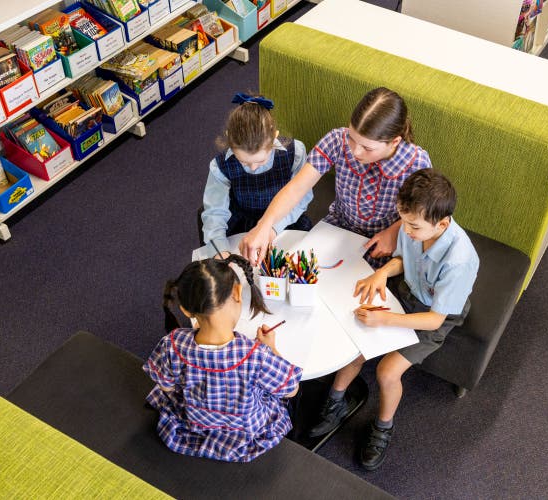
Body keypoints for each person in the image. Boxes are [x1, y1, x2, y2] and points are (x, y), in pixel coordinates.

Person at [308, 169, 479, 470]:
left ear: (441, 224)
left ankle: (383, 428)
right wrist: (381, 273)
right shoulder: (414, 226)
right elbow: (402, 260)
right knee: (354, 341)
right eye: (404, 220)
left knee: (387, 372)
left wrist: (385, 320)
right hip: (406, 292)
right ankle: (336, 401)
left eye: (412, 226)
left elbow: (435, 321)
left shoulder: (459, 261)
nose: (406, 230)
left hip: (433, 315)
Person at [239, 87, 432, 268]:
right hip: (339, 226)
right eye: (352, 138)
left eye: (367, 147)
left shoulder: (417, 162)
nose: (355, 151)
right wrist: (264, 225)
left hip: (385, 241)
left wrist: (395, 231)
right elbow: (296, 188)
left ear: (395, 142)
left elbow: (424, 214)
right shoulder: (337, 140)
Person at [143, 255, 302, 462]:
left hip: (194, 423)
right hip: (243, 432)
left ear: (185, 309)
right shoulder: (256, 356)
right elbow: (291, 389)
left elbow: (166, 388)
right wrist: (271, 347)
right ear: (237, 293)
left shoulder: (172, 343)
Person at [201, 92, 313, 256]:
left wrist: (271, 230)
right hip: (243, 225)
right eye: (244, 162)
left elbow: (301, 197)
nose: (253, 168)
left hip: (285, 223)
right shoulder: (220, 166)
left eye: (260, 162)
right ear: (229, 139)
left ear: (274, 136)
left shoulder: (295, 152)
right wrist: (221, 252)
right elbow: (214, 214)